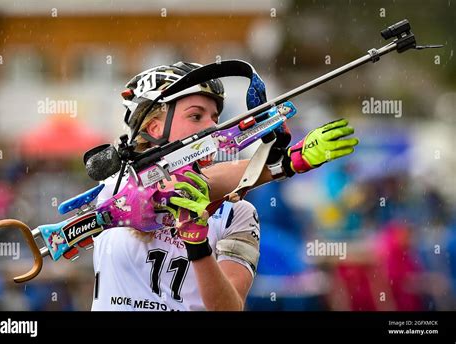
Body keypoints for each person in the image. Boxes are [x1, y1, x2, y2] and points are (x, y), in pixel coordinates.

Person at [91, 61, 359, 311]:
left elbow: (229, 307)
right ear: (154, 127)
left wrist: (198, 245)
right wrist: (285, 165)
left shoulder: (238, 214)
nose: (212, 127)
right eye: (196, 117)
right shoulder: (114, 187)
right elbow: (169, 186)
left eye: (215, 118)